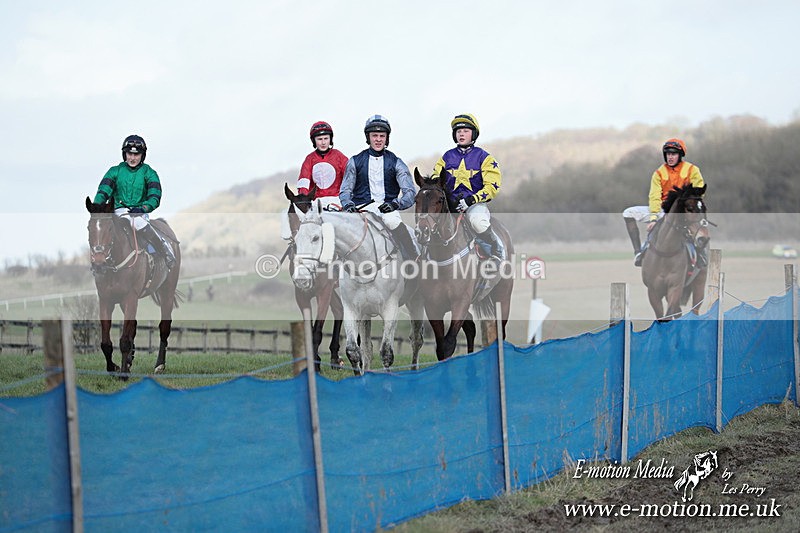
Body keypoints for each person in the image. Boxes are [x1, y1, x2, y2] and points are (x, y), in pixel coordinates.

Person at [339, 114, 418, 259]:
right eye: (374, 135)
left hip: (387, 210)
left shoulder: (397, 163)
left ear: (387, 138)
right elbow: (345, 191)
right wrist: (348, 204)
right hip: (361, 208)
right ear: (368, 137)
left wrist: (395, 204)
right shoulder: (354, 161)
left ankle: (413, 259)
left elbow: (410, 193)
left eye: (382, 136)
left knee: (393, 221)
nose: (378, 139)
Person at [93, 134, 176, 269]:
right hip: (118, 212)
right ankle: (98, 260)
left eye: (136, 154)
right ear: (124, 154)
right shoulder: (114, 172)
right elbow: (103, 192)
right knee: (100, 228)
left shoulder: (149, 173)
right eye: (129, 154)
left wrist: (143, 208)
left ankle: (163, 249)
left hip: (139, 213)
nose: (132, 158)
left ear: (142, 155)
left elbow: (155, 197)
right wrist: (97, 206)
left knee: (138, 222)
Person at [431, 113, 505, 259]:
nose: (461, 134)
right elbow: (435, 179)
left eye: (466, 131)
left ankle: (495, 252)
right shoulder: (446, 157)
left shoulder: (485, 158)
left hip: (474, 205)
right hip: (449, 206)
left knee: (478, 222)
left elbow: (492, 187)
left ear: (474, 134)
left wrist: (471, 200)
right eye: (458, 131)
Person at [623, 138, 706, 266]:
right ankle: (639, 252)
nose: (670, 157)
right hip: (662, 209)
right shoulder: (659, 173)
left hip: (684, 209)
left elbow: (698, 191)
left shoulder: (692, 169)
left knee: (696, 226)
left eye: (673, 154)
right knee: (628, 213)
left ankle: (700, 254)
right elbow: (655, 196)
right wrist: (653, 218)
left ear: (680, 155)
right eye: (668, 154)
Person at [281, 121, 349, 240]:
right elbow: (304, 180)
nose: (323, 142)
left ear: (330, 139)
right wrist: (303, 198)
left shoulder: (339, 156)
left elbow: (349, 177)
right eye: (319, 139)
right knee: (285, 214)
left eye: (326, 138)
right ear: (314, 141)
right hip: (315, 202)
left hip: (337, 200)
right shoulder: (309, 159)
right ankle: (293, 241)